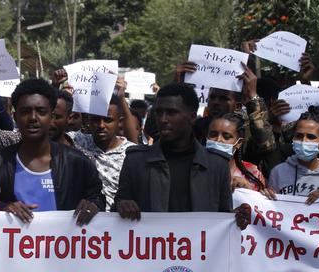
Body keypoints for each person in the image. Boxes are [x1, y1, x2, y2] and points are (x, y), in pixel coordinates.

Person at [114, 83, 250, 228]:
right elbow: (116, 213)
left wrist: (236, 219)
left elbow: (222, 221)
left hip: (198, 249)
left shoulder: (217, 165)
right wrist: (122, 206)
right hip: (150, 248)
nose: (163, 119)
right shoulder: (135, 161)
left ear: (192, 117)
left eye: (171, 113)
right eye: (159, 112)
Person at [0, 79, 105, 225]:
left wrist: (93, 204)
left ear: (51, 117)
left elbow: (97, 197)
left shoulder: (78, 162)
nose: (33, 118)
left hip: (64, 246)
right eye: (25, 112)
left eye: (41, 111)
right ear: (15, 118)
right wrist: (1, 207)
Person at [266, 107, 319, 204]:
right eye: (299, 136)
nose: (303, 141)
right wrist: (266, 196)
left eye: (311, 137)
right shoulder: (278, 172)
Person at [70, 97, 136, 211]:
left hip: (121, 223)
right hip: (84, 223)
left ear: (119, 122)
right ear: (88, 120)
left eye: (108, 120)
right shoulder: (76, 141)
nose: (101, 125)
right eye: (96, 119)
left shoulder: (131, 153)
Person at [206, 112, 265, 191]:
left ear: (239, 143)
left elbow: (259, 201)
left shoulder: (252, 174)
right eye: (213, 135)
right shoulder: (194, 167)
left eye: (226, 137)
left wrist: (247, 189)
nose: (218, 140)